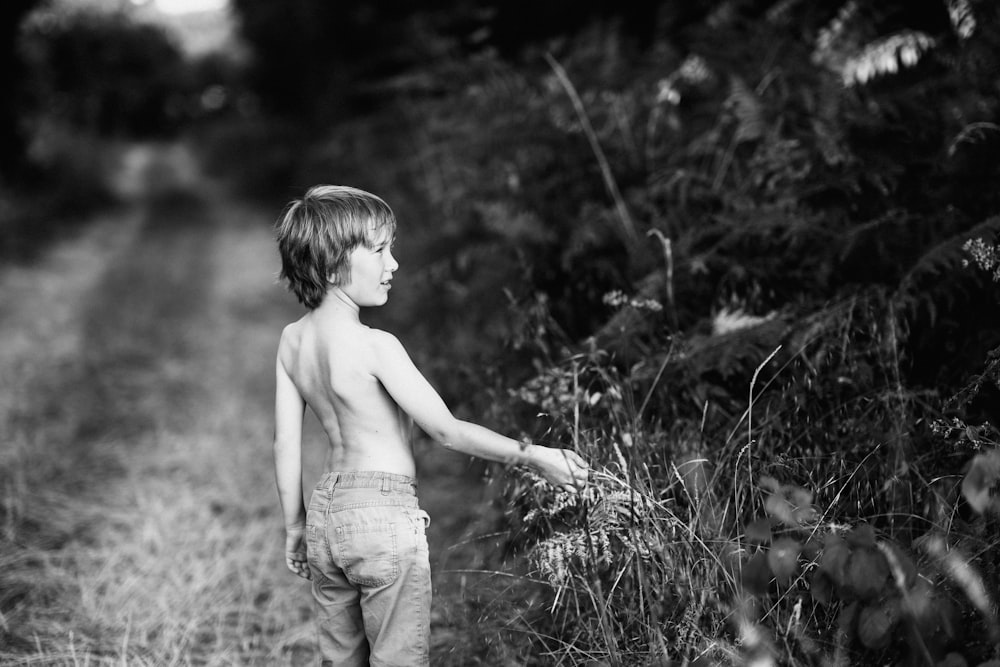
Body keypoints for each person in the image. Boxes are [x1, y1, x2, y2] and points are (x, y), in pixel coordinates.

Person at [271, 185, 590, 666]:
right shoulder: (377, 346)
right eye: (379, 250)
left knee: (340, 659)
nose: (393, 263)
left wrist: (295, 524)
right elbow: (447, 430)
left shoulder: (292, 341)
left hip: (325, 516)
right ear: (333, 264)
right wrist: (535, 456)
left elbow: (285, 443)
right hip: (382, 516)